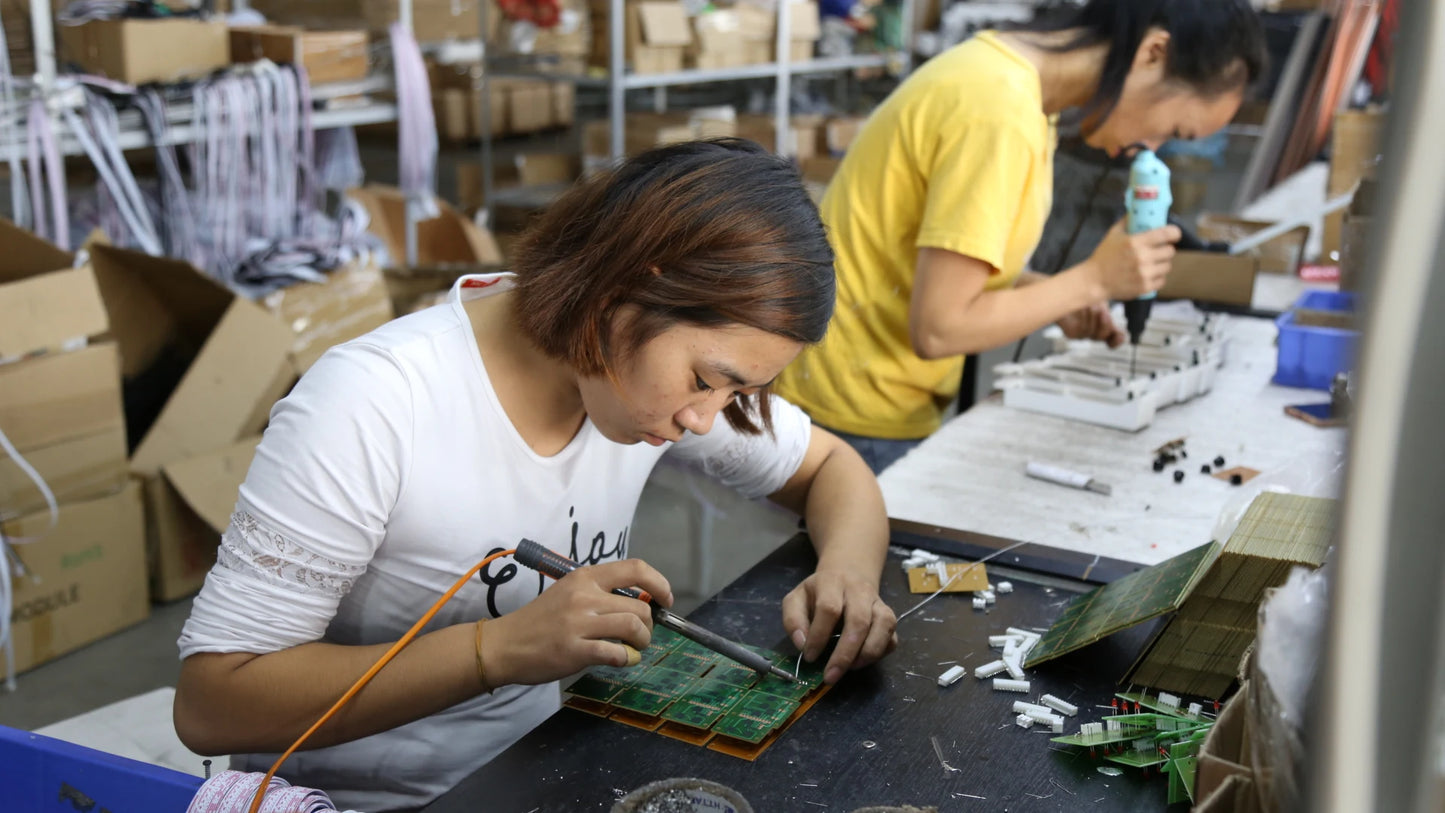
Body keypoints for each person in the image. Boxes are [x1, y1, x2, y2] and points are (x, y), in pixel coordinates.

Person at [171, 140, 898, 811]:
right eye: (706, 379)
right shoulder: (372, 405)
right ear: (624, 289)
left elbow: (833, 468)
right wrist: (500, 649)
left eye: (733, 395)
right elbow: (212, 703)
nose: (705, 419)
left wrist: (847, 576)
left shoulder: (633, 386)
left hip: (540, 768)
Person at [774, 0, 1268, 473]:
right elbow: (941, 328)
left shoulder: (1005, 81)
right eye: (1174, 127)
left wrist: (1047, 296)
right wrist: (1093, 281)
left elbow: (938, 264)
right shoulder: (998, 111)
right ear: (1151, 53)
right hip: (850, 413)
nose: (1154, 147)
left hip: (861, 395)